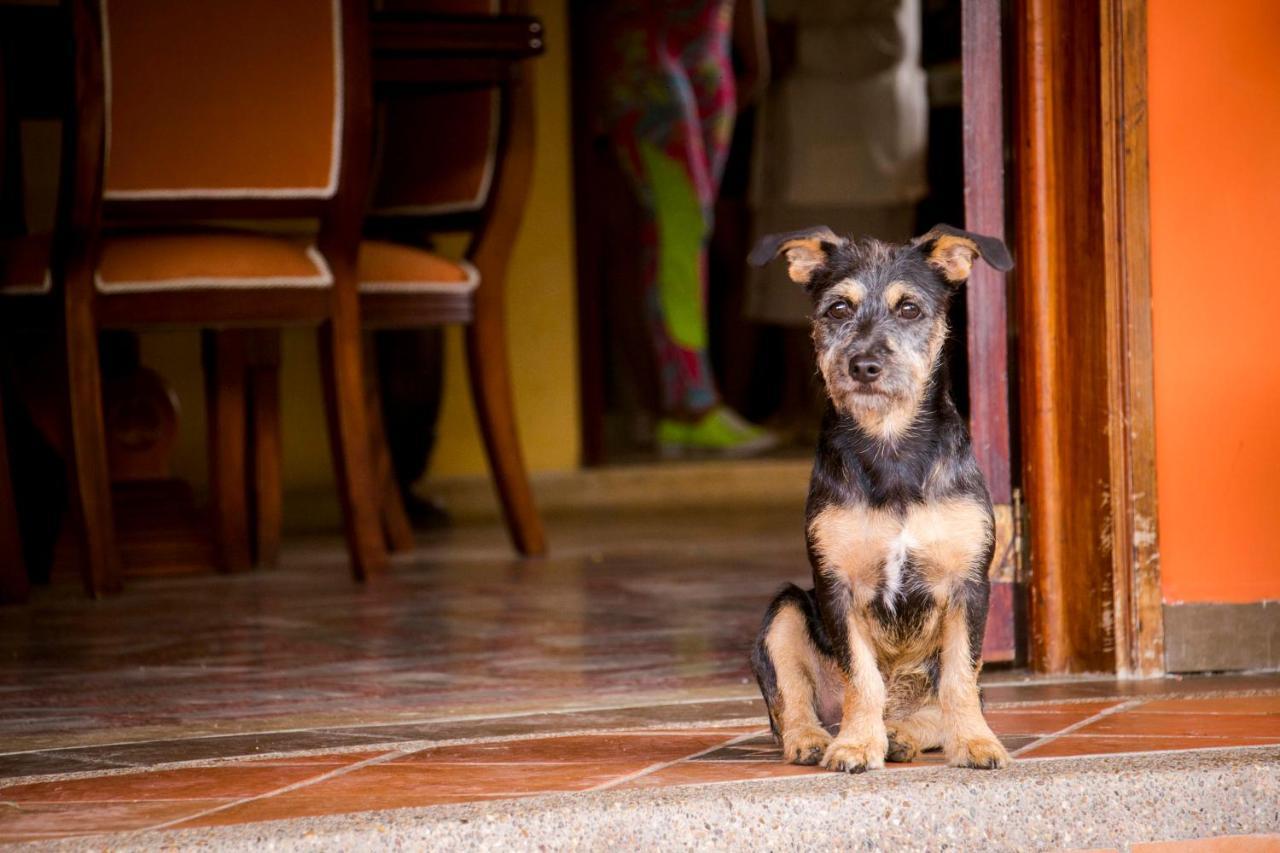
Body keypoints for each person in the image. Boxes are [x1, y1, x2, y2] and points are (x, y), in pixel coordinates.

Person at [598, 0, 775, 456]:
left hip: (711, 61)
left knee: (688, 234)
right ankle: (690, 406)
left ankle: (679, 408)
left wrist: (751, 65)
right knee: (680, 229)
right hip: (645, 56)